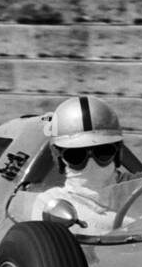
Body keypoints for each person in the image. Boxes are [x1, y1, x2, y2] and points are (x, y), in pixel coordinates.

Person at [31, 95, 129, 233]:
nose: (91, 162)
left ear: (118, 153)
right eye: (76, 155)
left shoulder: (139, 192)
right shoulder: (50, 204)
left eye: (103, 151)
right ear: (59, 157)